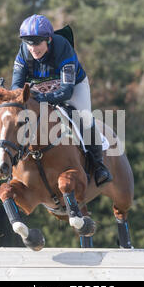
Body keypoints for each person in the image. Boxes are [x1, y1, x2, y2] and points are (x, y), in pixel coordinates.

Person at [11, 14, 112, 187]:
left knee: (84, 118)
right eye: (29, 43)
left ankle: (99, 164)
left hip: (72, 86)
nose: (33, 48)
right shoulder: (24, 52)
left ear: (48, 40)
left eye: (37, 42)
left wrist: (42, 99)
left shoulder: (62, 47)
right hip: (41, 88)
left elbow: (66, 91)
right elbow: (16, 87)